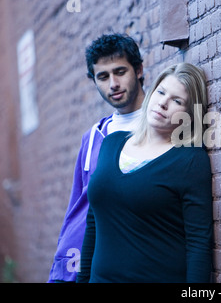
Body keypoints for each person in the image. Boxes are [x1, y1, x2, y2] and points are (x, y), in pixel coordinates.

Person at [76, 62, 213, 283]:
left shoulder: (190, 160)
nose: (163, 103)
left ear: (189, 114)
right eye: (161, 92)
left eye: (177, 101)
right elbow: (93, 223)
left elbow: (198, 243)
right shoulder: (111, 143)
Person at [48, 33, 146, 283]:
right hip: (102, 268)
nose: (113, 83)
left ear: (139, 70)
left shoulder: (164, 124)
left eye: (120, 71)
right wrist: (64, 269)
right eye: (102, 77)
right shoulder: (93, 138)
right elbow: (79, 208)